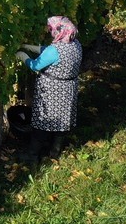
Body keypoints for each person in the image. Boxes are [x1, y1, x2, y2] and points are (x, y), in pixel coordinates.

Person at [16, 15, 82, 160]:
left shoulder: (55, 51)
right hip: (68, 89)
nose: (50, 31)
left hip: (52, 90)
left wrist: (23, 56)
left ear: (58, 31)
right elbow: (48, 51)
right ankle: (55, 151)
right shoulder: (75, 43)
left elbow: (36, 65)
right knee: (62, 120)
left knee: (43, 122)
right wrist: (30, 47)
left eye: (51, 29)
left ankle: (32, 154)